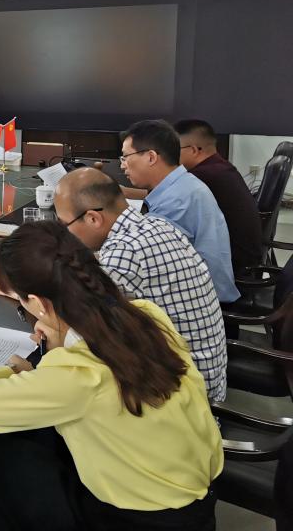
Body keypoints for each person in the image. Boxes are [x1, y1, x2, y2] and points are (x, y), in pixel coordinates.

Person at [0, 221, 221, 531]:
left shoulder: (77, 375)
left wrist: (9, 372)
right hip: (195, 500)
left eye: (21, 303)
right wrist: (57, 351)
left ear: (39, 304)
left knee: (1, 459)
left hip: (139, 520)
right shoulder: (147, 315)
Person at [54, 167, 227, 401]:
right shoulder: (156, 225)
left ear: (93, 218)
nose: (65, 235)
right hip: (206, 372)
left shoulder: (125, 251)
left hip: (186, 394)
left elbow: (84, 324)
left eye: (64, 225)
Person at [119, 119, 239, 303]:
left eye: (125, 157)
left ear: (151, 157)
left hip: (203, 297)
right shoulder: (182, 185)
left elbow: (143, 259)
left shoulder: (176, 202)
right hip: (206, 285)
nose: (122, 165)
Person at [175, 118, 263, 276]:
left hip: (233, 267)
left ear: (194, 150)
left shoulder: (202, 176)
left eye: (175, 149)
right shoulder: (219, 167)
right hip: (247, 260)